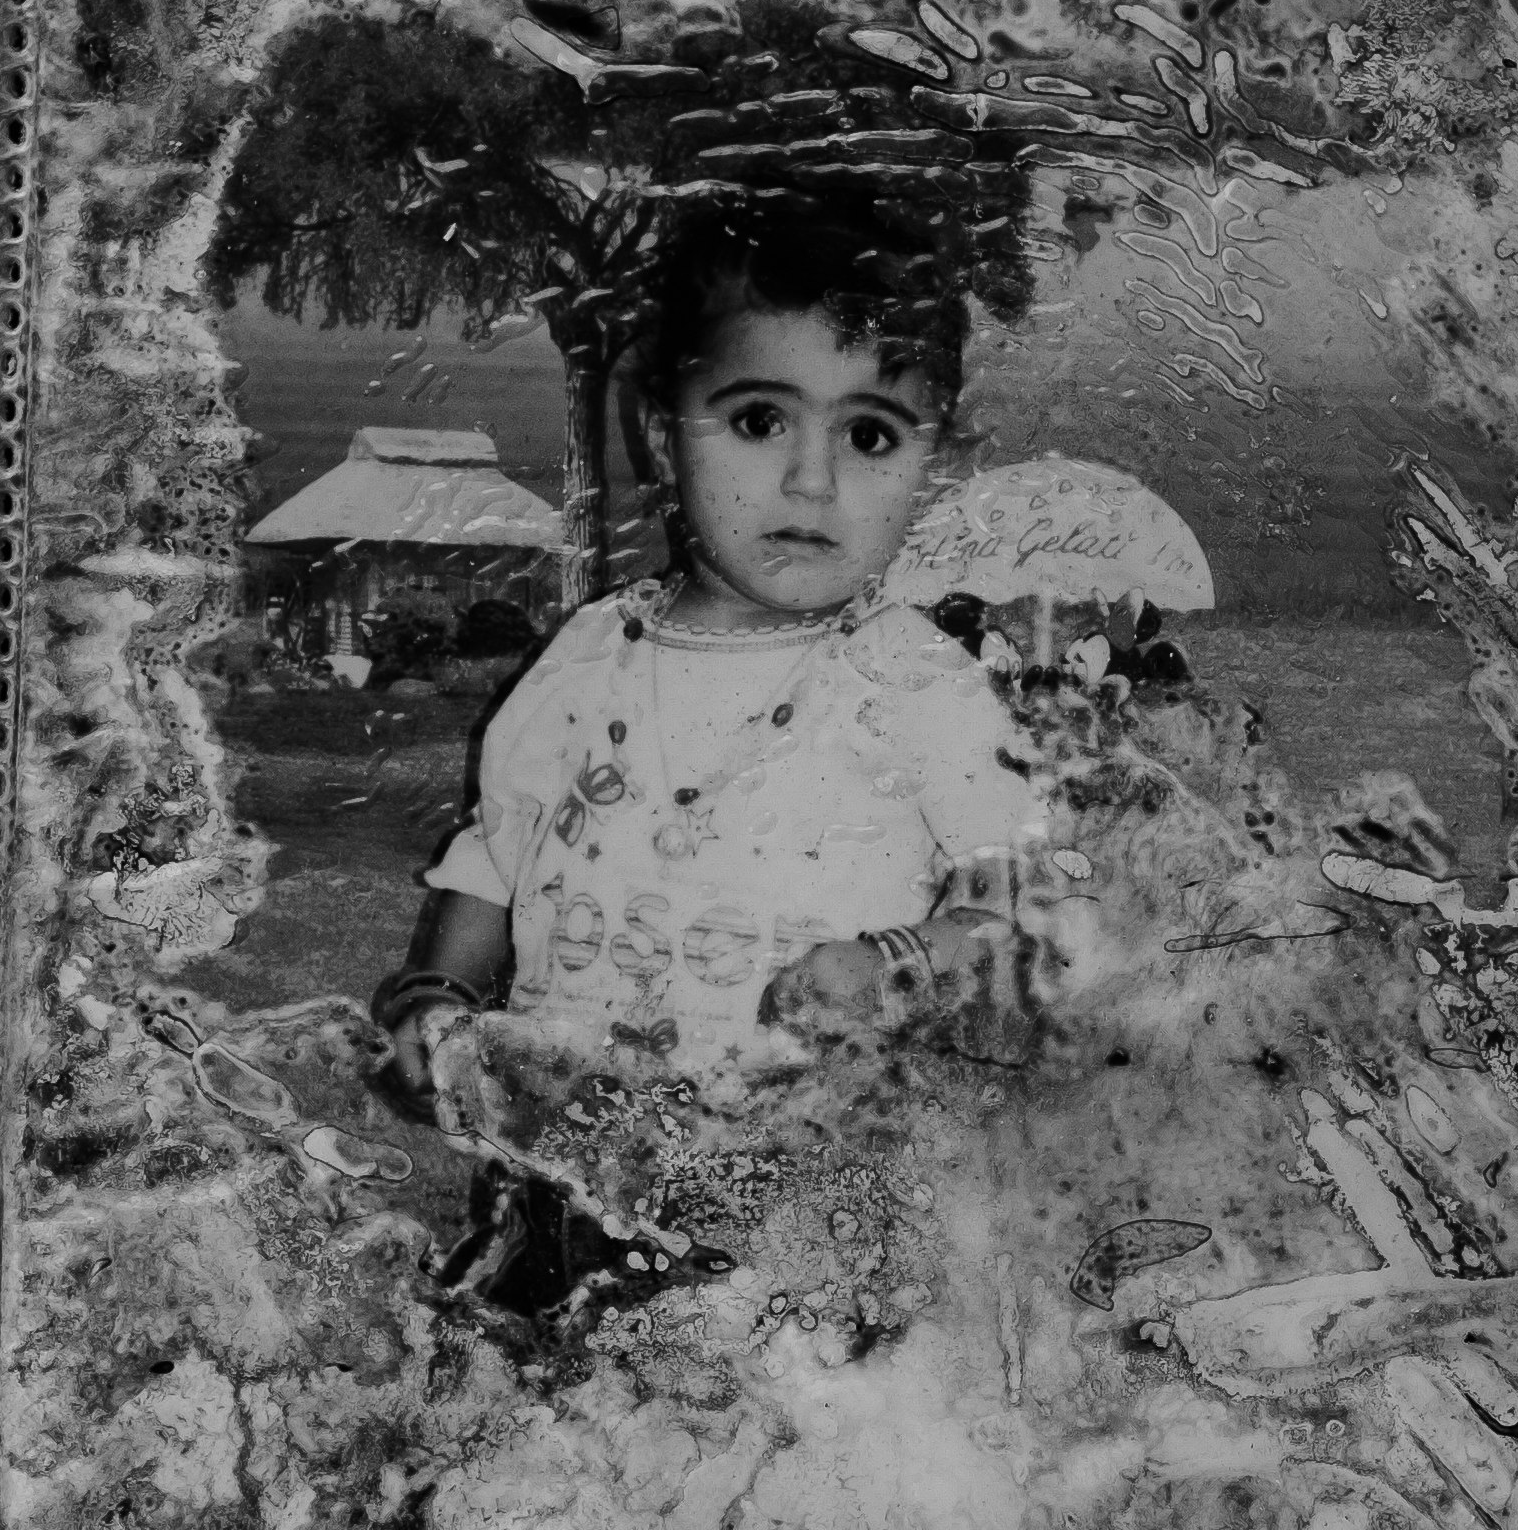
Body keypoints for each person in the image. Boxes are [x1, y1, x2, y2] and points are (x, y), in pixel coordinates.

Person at [371, 189, 1061, 1098]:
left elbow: (1014, 902)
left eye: (868, 435)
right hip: (571, 1149)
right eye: (760, 421)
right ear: (665, 438)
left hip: (811, 1162)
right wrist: (440, 992)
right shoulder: (591, 652)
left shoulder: (911, 677)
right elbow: (497, 854)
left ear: (927, 474)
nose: (812, 482)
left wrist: (899, 963)